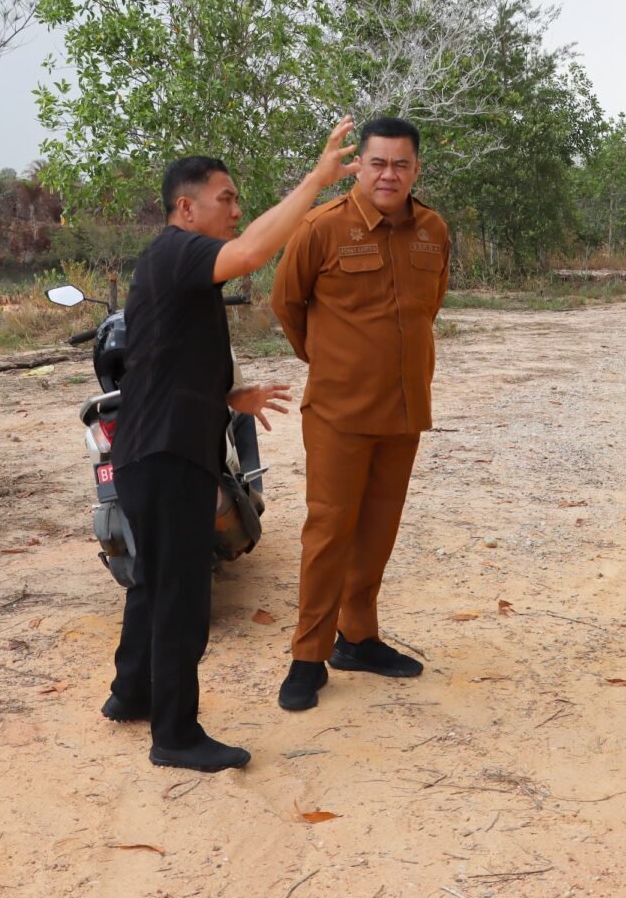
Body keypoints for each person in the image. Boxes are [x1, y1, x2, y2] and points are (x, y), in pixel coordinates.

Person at [102, 118, 360, 773]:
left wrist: (228, 398)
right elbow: (249, 254)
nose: (237, 210)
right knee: (182, 597)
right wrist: (316, 181)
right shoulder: (177, 250)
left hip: (153, 449)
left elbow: (166, 361)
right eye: (227, 198)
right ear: (185, 208)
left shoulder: (177, 266)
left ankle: (131, 694)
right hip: (167, 457)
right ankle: (175, 735)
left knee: (153, 583)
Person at [269, 116, 450, 711]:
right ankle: (307, 656)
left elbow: (429, 306)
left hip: (404, 409)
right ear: (359, 167)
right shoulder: (321, 228)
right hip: (338, 413)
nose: (388, 174)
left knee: (377, 530)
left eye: (401, 164)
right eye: (377, 163)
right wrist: (332, 360)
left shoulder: (432, 230)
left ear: (415, 169)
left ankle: (359, 638)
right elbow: (287, 303)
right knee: (328, 533)